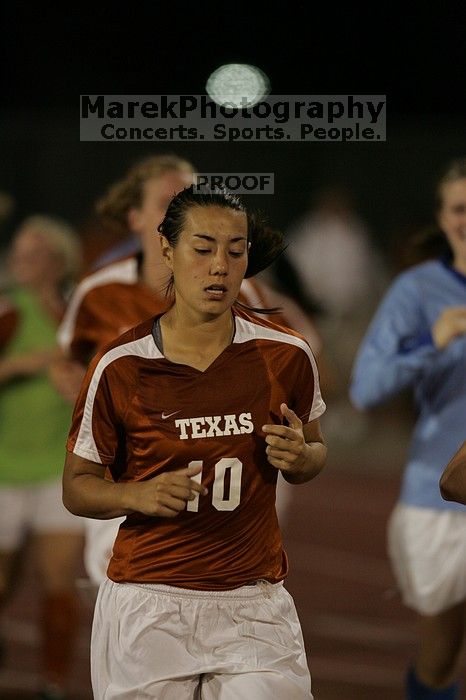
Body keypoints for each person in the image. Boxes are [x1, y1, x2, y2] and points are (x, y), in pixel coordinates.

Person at [62, 185, 327, 699]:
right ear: (167, 250)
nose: (221, 267)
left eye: (236, 250)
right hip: (148, 601)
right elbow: (77, 487)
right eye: (202, 249)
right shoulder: (120, 364)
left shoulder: (286, 355)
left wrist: (301, 458)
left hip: (253, 602)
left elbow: (314, 452)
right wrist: (134, 494)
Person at [350, 157, 466, 700]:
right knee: (442, 658)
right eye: (459, 208)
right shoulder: (418, 291)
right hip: (442, 496)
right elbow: (366, 389)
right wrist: (430, 344)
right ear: (443, 218)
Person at [0, 216, 84, 700]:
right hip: (5, 469)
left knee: (58, 584)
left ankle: (52, 683)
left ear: (58, 261)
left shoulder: (82, 312)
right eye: (16, 252)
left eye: (30, 253)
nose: (19, 262)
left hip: (60, 467)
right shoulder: (9, 312)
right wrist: (17, 366)